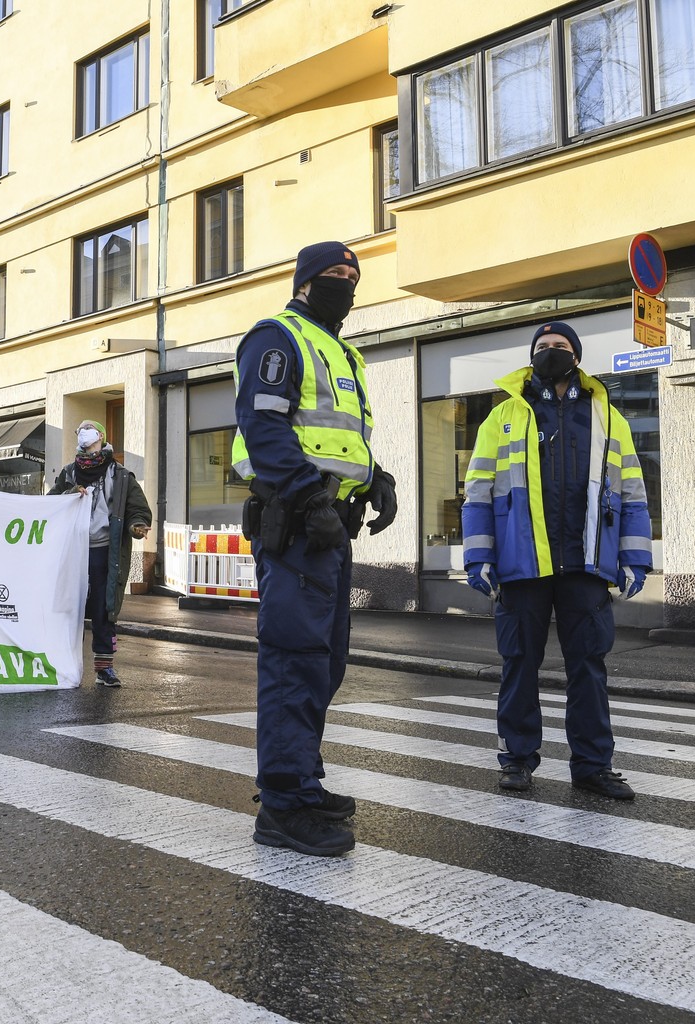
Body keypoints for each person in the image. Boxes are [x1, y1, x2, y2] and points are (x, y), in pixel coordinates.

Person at [231, 241, 397, 857]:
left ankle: (303, 779)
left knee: (323, 665)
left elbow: (337, 439)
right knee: (293, 662)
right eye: (333, 275)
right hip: (299, 528)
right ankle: (282, 804)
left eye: (353, 275)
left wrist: (376, 477)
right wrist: (309, 498)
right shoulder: (277, 337)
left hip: (329, 530)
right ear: (305, 281)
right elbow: (265, 428)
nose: (346, 283)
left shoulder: (341, 351)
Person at [460, 321, 654, 801]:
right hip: (522, 565)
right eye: (543, 347)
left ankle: (592, 766)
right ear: (531, 356)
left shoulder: (609, 417)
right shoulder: (502, 416)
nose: (551, 352)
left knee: (588, 667)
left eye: (560, 347)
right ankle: (517, 761)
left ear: (577, 356)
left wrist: (633, 557)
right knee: (519, 663)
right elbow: (478, 493)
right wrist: (479, 555)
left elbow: (631, 493)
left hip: (586, 563)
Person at [47, 421, 152, 688]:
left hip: (105, 552)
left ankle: (104, 668)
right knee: (71, 608)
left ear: (101, 436)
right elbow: (51, 503)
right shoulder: (69, 473)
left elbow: (137, 509)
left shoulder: (121, 475)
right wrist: (71, 494)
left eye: (89, 428)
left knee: (103, 610)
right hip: (74, 551)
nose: (83, 431)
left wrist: (136, 525)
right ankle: (64, 664)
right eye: (79, 428)